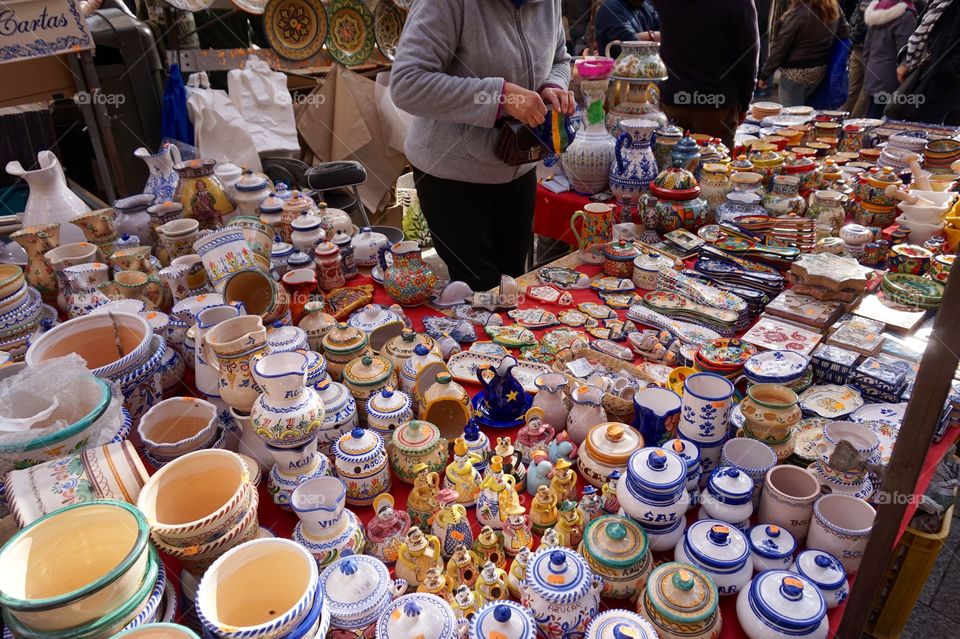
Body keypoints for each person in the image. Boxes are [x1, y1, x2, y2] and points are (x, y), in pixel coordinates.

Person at [390, 0, 574, 292]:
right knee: (480, 292)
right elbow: (407, 83)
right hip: (451, 176)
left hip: (518, 167)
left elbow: (561, 59)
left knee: (512, 287)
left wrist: (553, 85)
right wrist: (501, 98)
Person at [651, 0, 759, 150]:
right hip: (716, 105)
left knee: (672, 165)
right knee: (715, 168)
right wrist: (745, 102)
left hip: (674, 98)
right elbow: (749, 58)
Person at [758, 0, 850, 107]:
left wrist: (765, 74)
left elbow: (780, 49)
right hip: (819, 70)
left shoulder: (798, 12)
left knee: (791, 117)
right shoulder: (832, 8)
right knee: (809, 113)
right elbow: (845, 33)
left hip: (794, 74)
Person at [891, 0, 960, 123]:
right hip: (921, 80)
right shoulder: (935, 2)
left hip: (945, 91)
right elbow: (918, 34)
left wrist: (942, 73)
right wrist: (904, 61)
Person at [863, 0, 918, 117]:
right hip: (892, 76)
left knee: (873, 114)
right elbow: (905, 50)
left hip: (873, 71)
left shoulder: (877, 8)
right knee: (884, 119)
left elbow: (867, 48)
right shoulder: (906, 15)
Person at [594, 0, 660, 57]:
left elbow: (667, 33)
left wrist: (646, 36)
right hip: (618, 70)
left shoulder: (645, 6)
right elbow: (631, 44)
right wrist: (652, 36)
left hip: (645, 67)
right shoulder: (611, 6)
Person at [842, 1, 872, 115]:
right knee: (865, 91)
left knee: (853, 87)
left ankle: (844, 118)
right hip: (868, 48)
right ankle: (853, 123)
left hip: (857, 45)